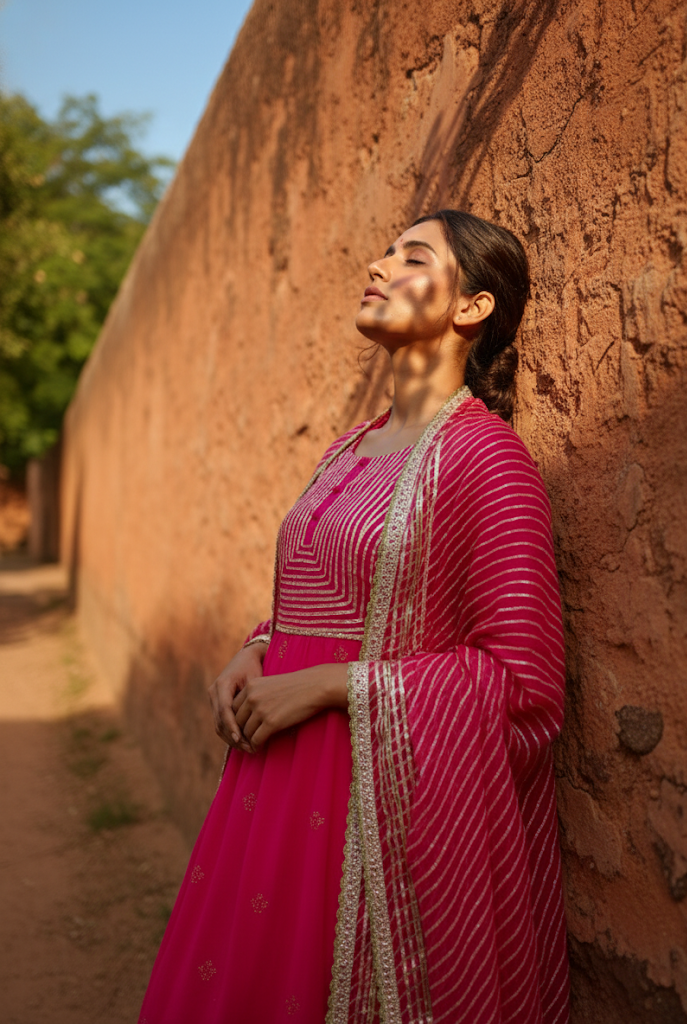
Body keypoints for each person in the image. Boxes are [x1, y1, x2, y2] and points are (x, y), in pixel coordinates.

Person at [138, 210, 570, 1024]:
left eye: (411, 257)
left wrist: (334, 686)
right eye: (383, 250)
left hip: (370, 805)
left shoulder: (487, 459)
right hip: (271, 780)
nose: (377, 264)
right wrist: (257, 650)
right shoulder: (347, 448)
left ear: (470, 309)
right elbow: (318, 593)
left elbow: (525, 685)